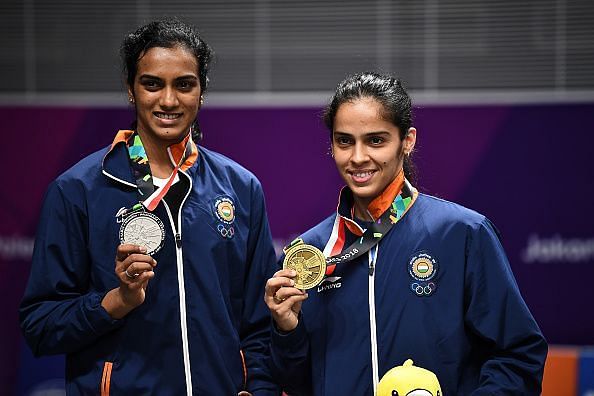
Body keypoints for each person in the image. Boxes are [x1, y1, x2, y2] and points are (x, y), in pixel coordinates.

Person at [20, 19, 278, 395]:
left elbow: (259, 325)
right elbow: (39, 325)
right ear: (131, 89)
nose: (169, 100)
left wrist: (261, 391)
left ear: (202, 92)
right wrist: (116, 302)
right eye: (152, 83)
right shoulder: (77, 190)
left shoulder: (240, 188)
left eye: (184, 84)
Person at [264, 72, 547, 395]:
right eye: (345, 141)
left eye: (376, 140)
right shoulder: (309, 254)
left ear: (407, 141)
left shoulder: (462, 233)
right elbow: (298, 383)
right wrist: (287, 331)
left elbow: (518, 356)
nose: (358, 157)